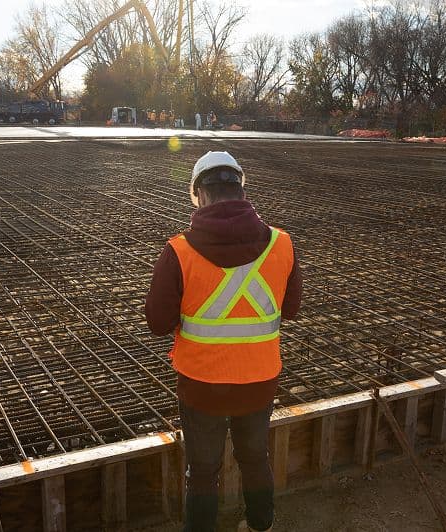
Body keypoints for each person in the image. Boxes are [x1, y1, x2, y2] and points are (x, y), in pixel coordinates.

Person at [145, 151, 302, 532]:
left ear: (198, 194)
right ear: (241, 190)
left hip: (202, 387)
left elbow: (157, 322)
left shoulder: (179, 251)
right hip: (259, 381)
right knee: (254, 457)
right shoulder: (282, 244)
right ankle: (261, 525)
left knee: (202, 470)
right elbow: (292, 309)